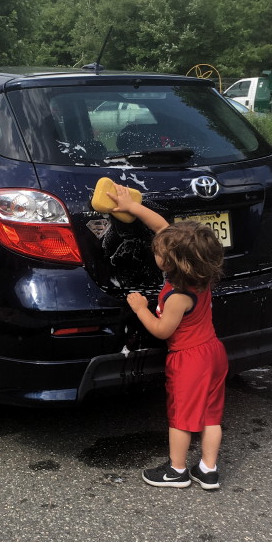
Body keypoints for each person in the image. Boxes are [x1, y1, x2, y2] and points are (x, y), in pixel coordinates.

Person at [108, 184, 228, 490]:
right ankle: (208, 470)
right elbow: (161, 227)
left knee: (182, 417)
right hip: (213, 352)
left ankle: (177, 471)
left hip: (190, 359)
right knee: (211, 415)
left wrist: (140, 308)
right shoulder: (199, 275)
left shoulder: (178, 295)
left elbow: (162, 330)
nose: (156, 250)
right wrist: (132, 207)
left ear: (172, 262)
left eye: (159, 252)